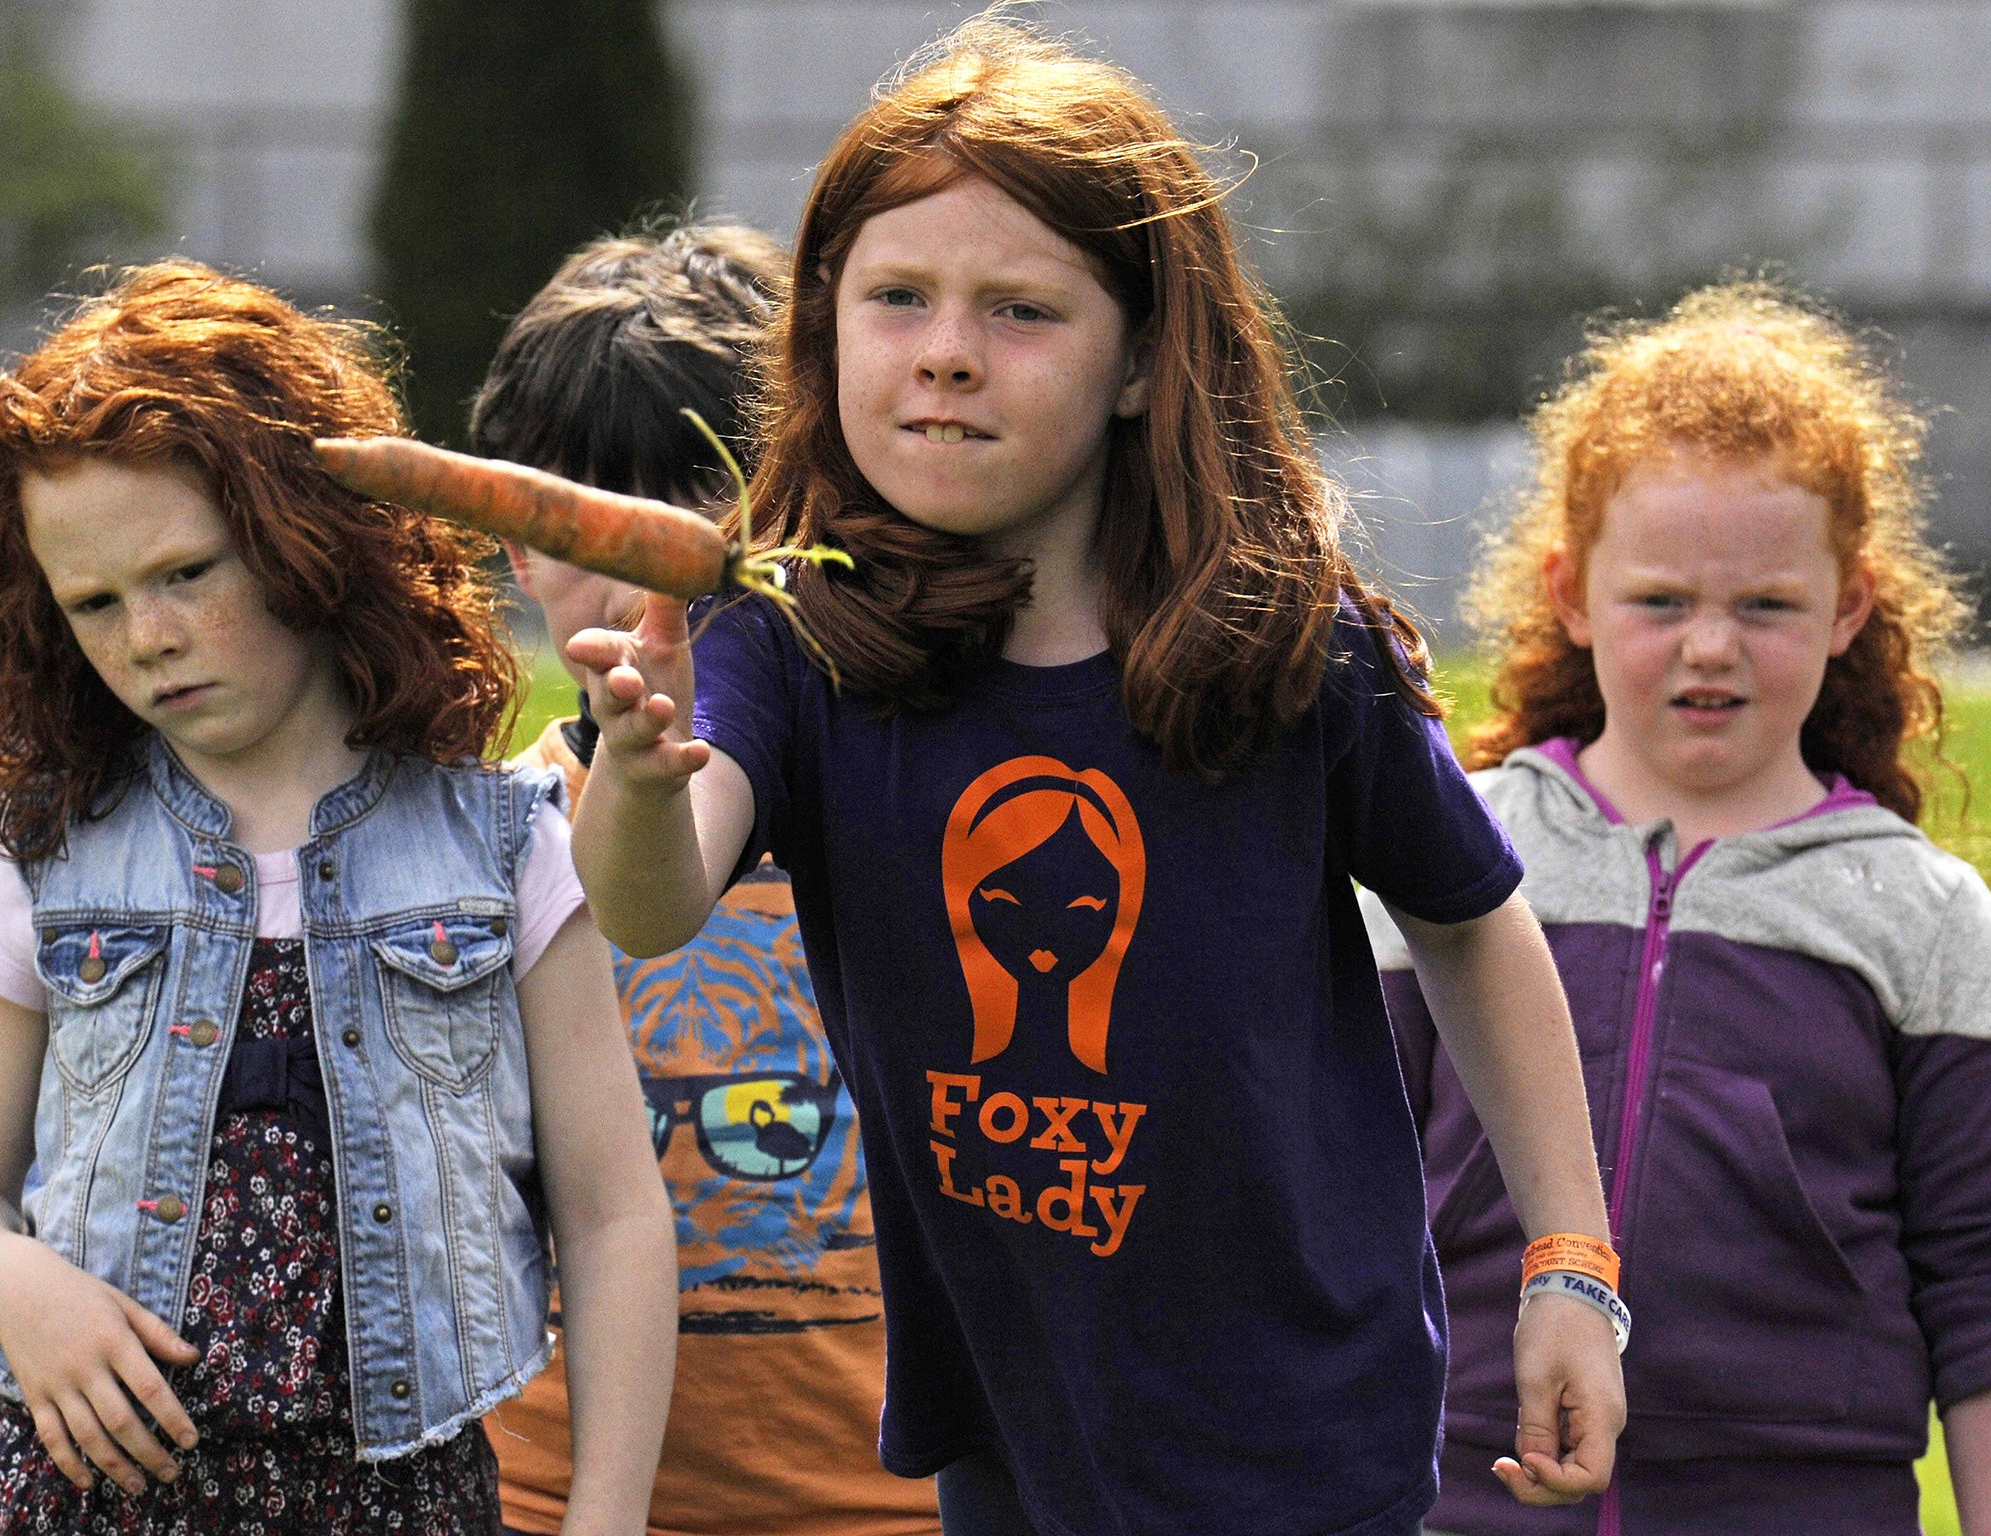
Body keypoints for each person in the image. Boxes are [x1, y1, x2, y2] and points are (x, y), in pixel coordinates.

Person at [565, 19, 1626, 1536]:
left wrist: (1569, 1263)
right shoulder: (794, 642)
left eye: (1020, 311)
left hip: (1302, 1439)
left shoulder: (1290, 645)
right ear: (827, 329)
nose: (944, 348)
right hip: (1005, 1426)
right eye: (898, 298)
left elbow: (1470, 920)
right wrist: (646, 778)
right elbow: (650, 906)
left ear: (1142, 363)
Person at [0, 260, 677, 1535]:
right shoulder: (50, 852)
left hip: (401, 1503)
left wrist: (603, 1521)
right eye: (94, 604)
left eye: (186, 573)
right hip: (68, 1505)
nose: (146, 638)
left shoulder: (501, 848)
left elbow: (614, 1218)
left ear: (304, 535)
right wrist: (13, 1284)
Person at [1370, 281, 1991, 1536]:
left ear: (1847, 608)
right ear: (1570, 593)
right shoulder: (1449, 854)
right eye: (1660, 602)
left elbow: (1976, 1292)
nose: (1709, 647)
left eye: (1762, 606)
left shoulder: (1925, 918)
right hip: (1449, 1491)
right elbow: (1325, 1191)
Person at [472, 226, 941, 1536]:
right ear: (516, 554)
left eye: (692, 516)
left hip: (894, 1506)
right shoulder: (479, 843)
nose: (642, 574)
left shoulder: (918, 820)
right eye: (578, 517)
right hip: (551, 1501)